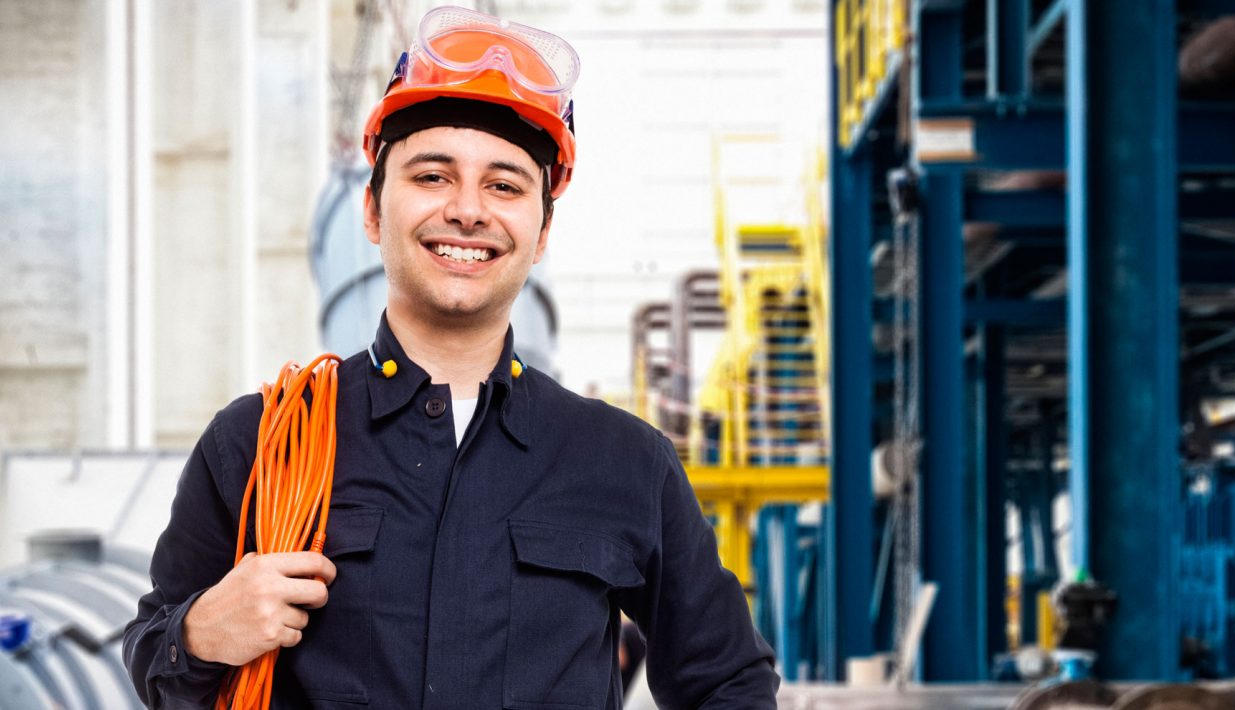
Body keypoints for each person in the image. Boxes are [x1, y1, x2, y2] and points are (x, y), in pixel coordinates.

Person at [122, 6, 779, 709]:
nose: (468, 210)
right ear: (373, 214)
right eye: (432, 176)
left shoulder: (626, 463)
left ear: (541, 230)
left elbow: (728, 682)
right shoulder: (258, 444)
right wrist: (196, 635)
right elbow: (152, 657)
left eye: (504, 185)